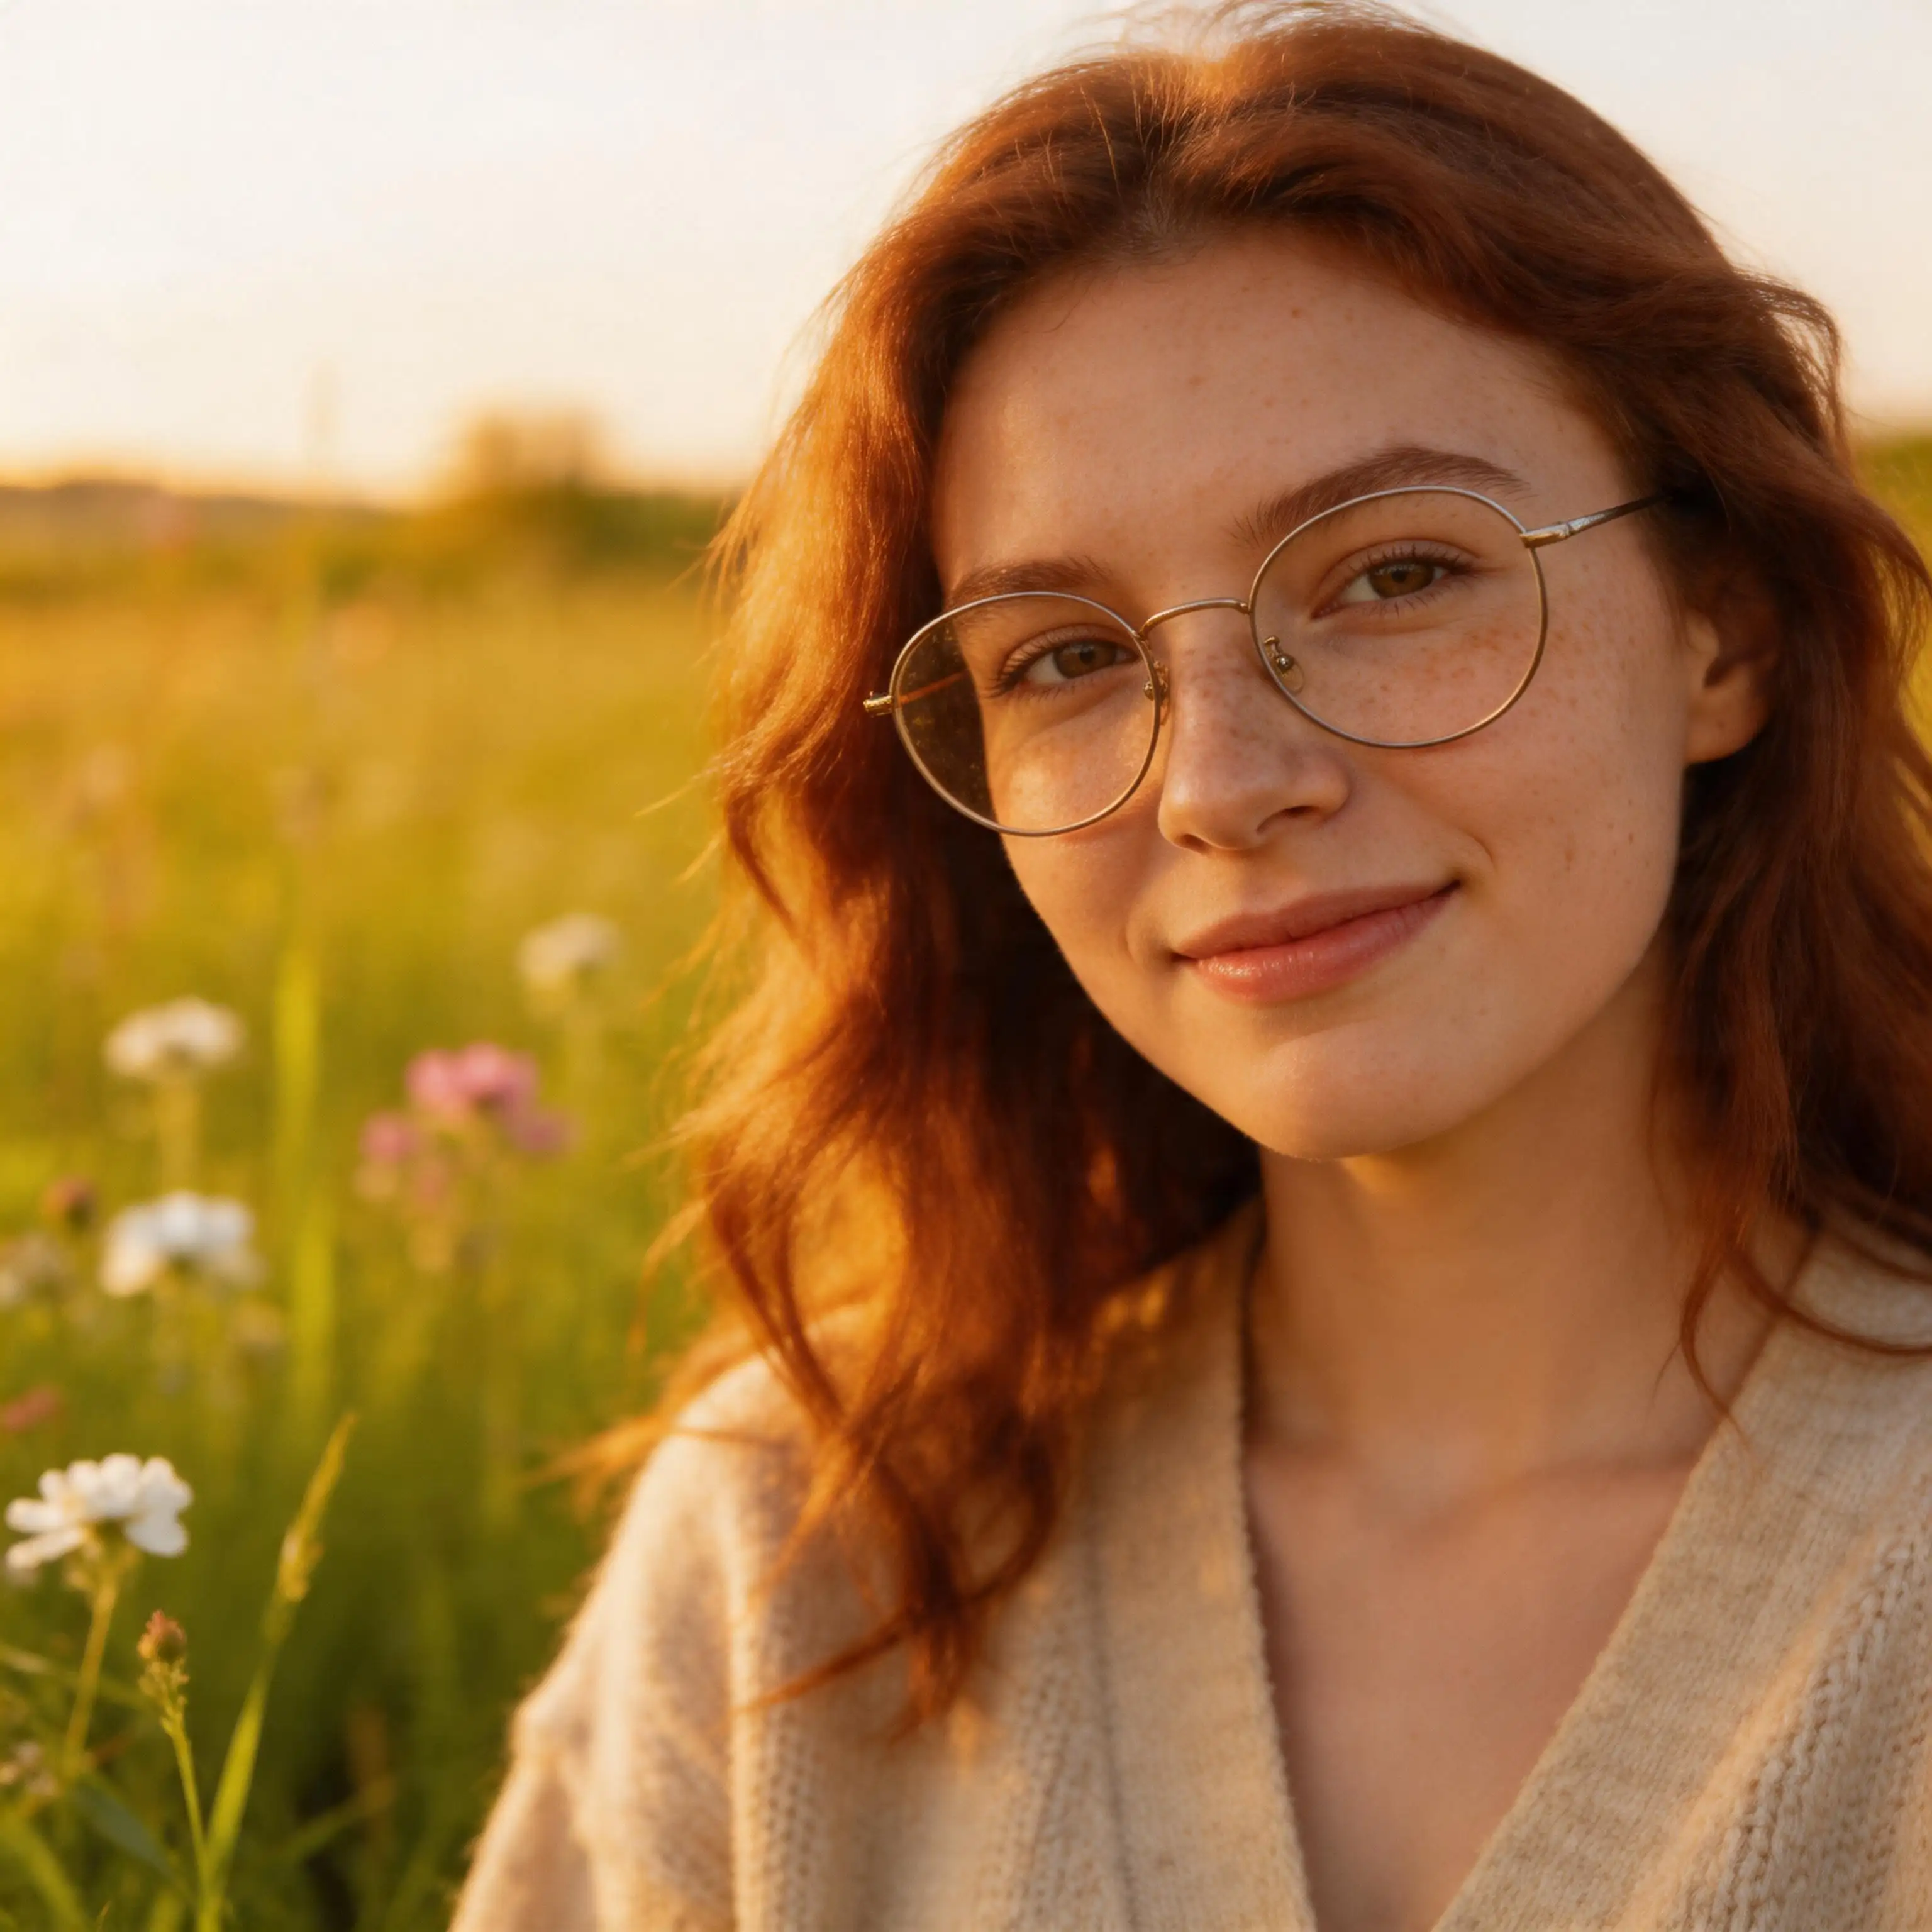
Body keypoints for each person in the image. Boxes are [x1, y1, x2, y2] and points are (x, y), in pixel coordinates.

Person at [453, 5, 1932, 1928]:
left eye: (1398, 572)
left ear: (1722, 629)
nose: (1225, 787)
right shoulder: (802, 1561)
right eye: (1062, 657)